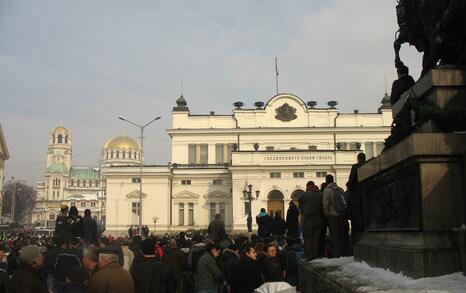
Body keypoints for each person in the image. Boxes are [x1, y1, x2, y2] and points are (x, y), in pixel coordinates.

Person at [299, 181, 324, 260]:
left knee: (308, 237)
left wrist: (303, 209)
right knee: (317, 237)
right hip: (319, 218)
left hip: (309, 218)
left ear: (308, 186)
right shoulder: (320, 194)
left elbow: (300, 201)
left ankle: (309, 255)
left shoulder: (306, 194)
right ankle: (315, 255)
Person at [323, 174, 347, 257]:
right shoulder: (340, 189)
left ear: (326, 181)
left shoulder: (327, 190)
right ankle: (344, 251)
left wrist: (326, 213)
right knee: (342, 234)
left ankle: (337, 253)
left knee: (335, 235)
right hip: (342, 214)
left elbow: (325, 203)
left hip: (333, 215)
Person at [347, 153, 366, 245]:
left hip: (357, 194)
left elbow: (351, 181)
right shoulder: (368, 165)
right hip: (367, 192)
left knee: (357, 213)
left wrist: (349, 188)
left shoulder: (355, 167)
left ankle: (358, 231)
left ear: (358, 159)